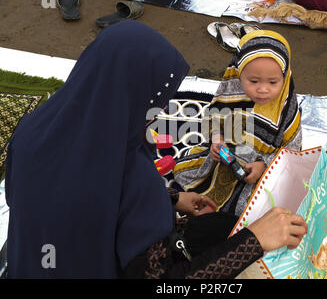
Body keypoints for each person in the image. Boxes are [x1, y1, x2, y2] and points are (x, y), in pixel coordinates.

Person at [5, 21, 307, 278]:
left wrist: (173, 198)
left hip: (31, 266)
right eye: (159, 95)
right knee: (228, 235)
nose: (161, 107)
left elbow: (83, 197)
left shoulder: (33, 129)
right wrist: (254, 241)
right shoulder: (135, 179)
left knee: (216, 226)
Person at [173, 30, 302, 217]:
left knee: (253, 211)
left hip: (261, 171)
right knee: (185, 174)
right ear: (238, 74)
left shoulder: (286, 110)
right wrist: (216, 142)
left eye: (273, 82)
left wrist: (264, 165)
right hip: (227, 162)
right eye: (253, 81)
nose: (263, 89)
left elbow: (291, 151)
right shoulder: (232, 92)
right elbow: (215, 118)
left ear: (285, 77)